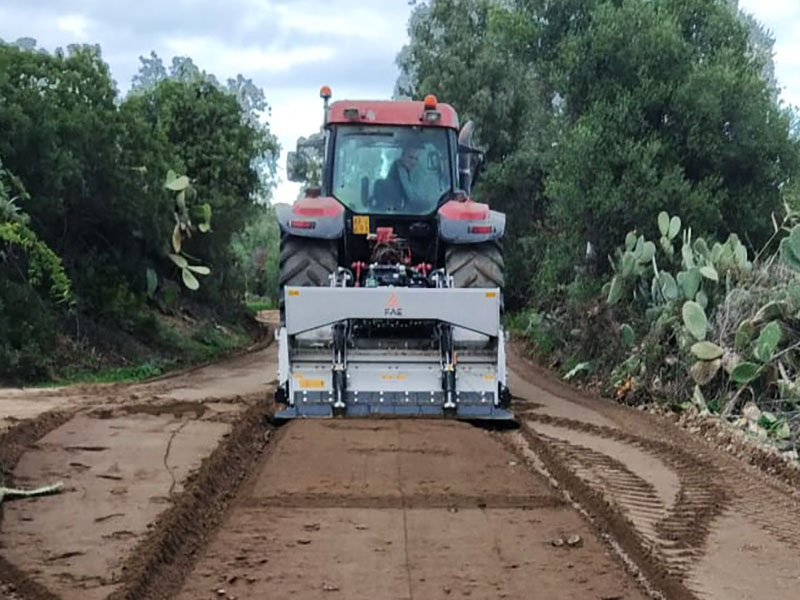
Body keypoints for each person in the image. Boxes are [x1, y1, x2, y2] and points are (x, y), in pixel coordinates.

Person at [382, 142, 423, 210]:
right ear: (402, 156)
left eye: (416, 159)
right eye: (410, 157)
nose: (413, 162)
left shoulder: (409, 171)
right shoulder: (400, 170)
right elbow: (411, 197)